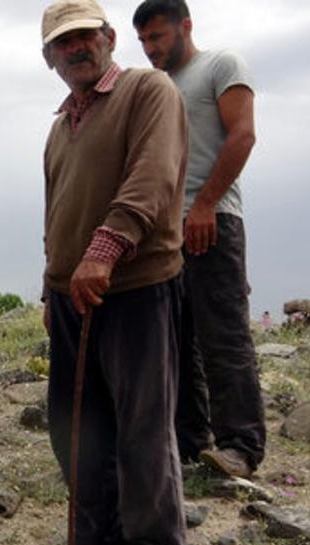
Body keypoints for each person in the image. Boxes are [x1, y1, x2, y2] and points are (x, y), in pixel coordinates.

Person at [38, 0, 189, 545]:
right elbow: (57, 214)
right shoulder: (60, 124)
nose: (76, 49)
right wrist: (52, 282)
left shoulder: (148, 91)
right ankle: (99, 541)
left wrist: (104, 250)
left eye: (84, 37)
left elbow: (152, 178)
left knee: (142, 423)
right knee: (75, 427)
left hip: (135, 284)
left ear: (106, 38)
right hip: (71, 294)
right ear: (49, 58)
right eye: (62, 43)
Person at [134, 0, 264, 479]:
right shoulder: (158, 87)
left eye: (158, 37)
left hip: (213, 220)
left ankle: (242, 447)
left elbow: (243, 136)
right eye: (144, 41)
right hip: (166, 231)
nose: (150, 49)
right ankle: (191, 444)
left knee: (223, 333)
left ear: (185, 26)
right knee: (176, 339)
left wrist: (206, 204)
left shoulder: (221, 64)